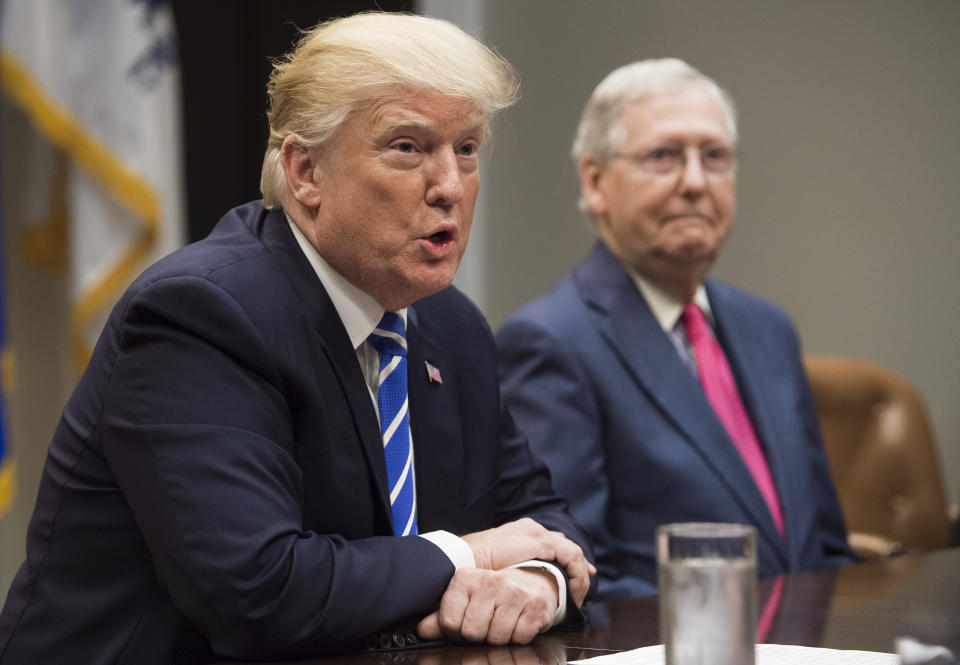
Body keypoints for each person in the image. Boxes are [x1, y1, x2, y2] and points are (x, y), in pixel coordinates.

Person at [0, 12, 596, 664]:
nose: (450, 186)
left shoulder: (451, 327)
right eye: (407, 146)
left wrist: (538, 582)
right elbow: (261, 590)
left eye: (467, 148)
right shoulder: (200, 316)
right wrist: (472, 552)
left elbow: (544, 521)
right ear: (305, 171)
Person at [496, 58, 854, 601]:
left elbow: (822, 547)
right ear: (595, 182)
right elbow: (578, 575)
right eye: (663, 156)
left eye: (714, 157)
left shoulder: (769, 328)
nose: (694, 181)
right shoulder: (551, 341)